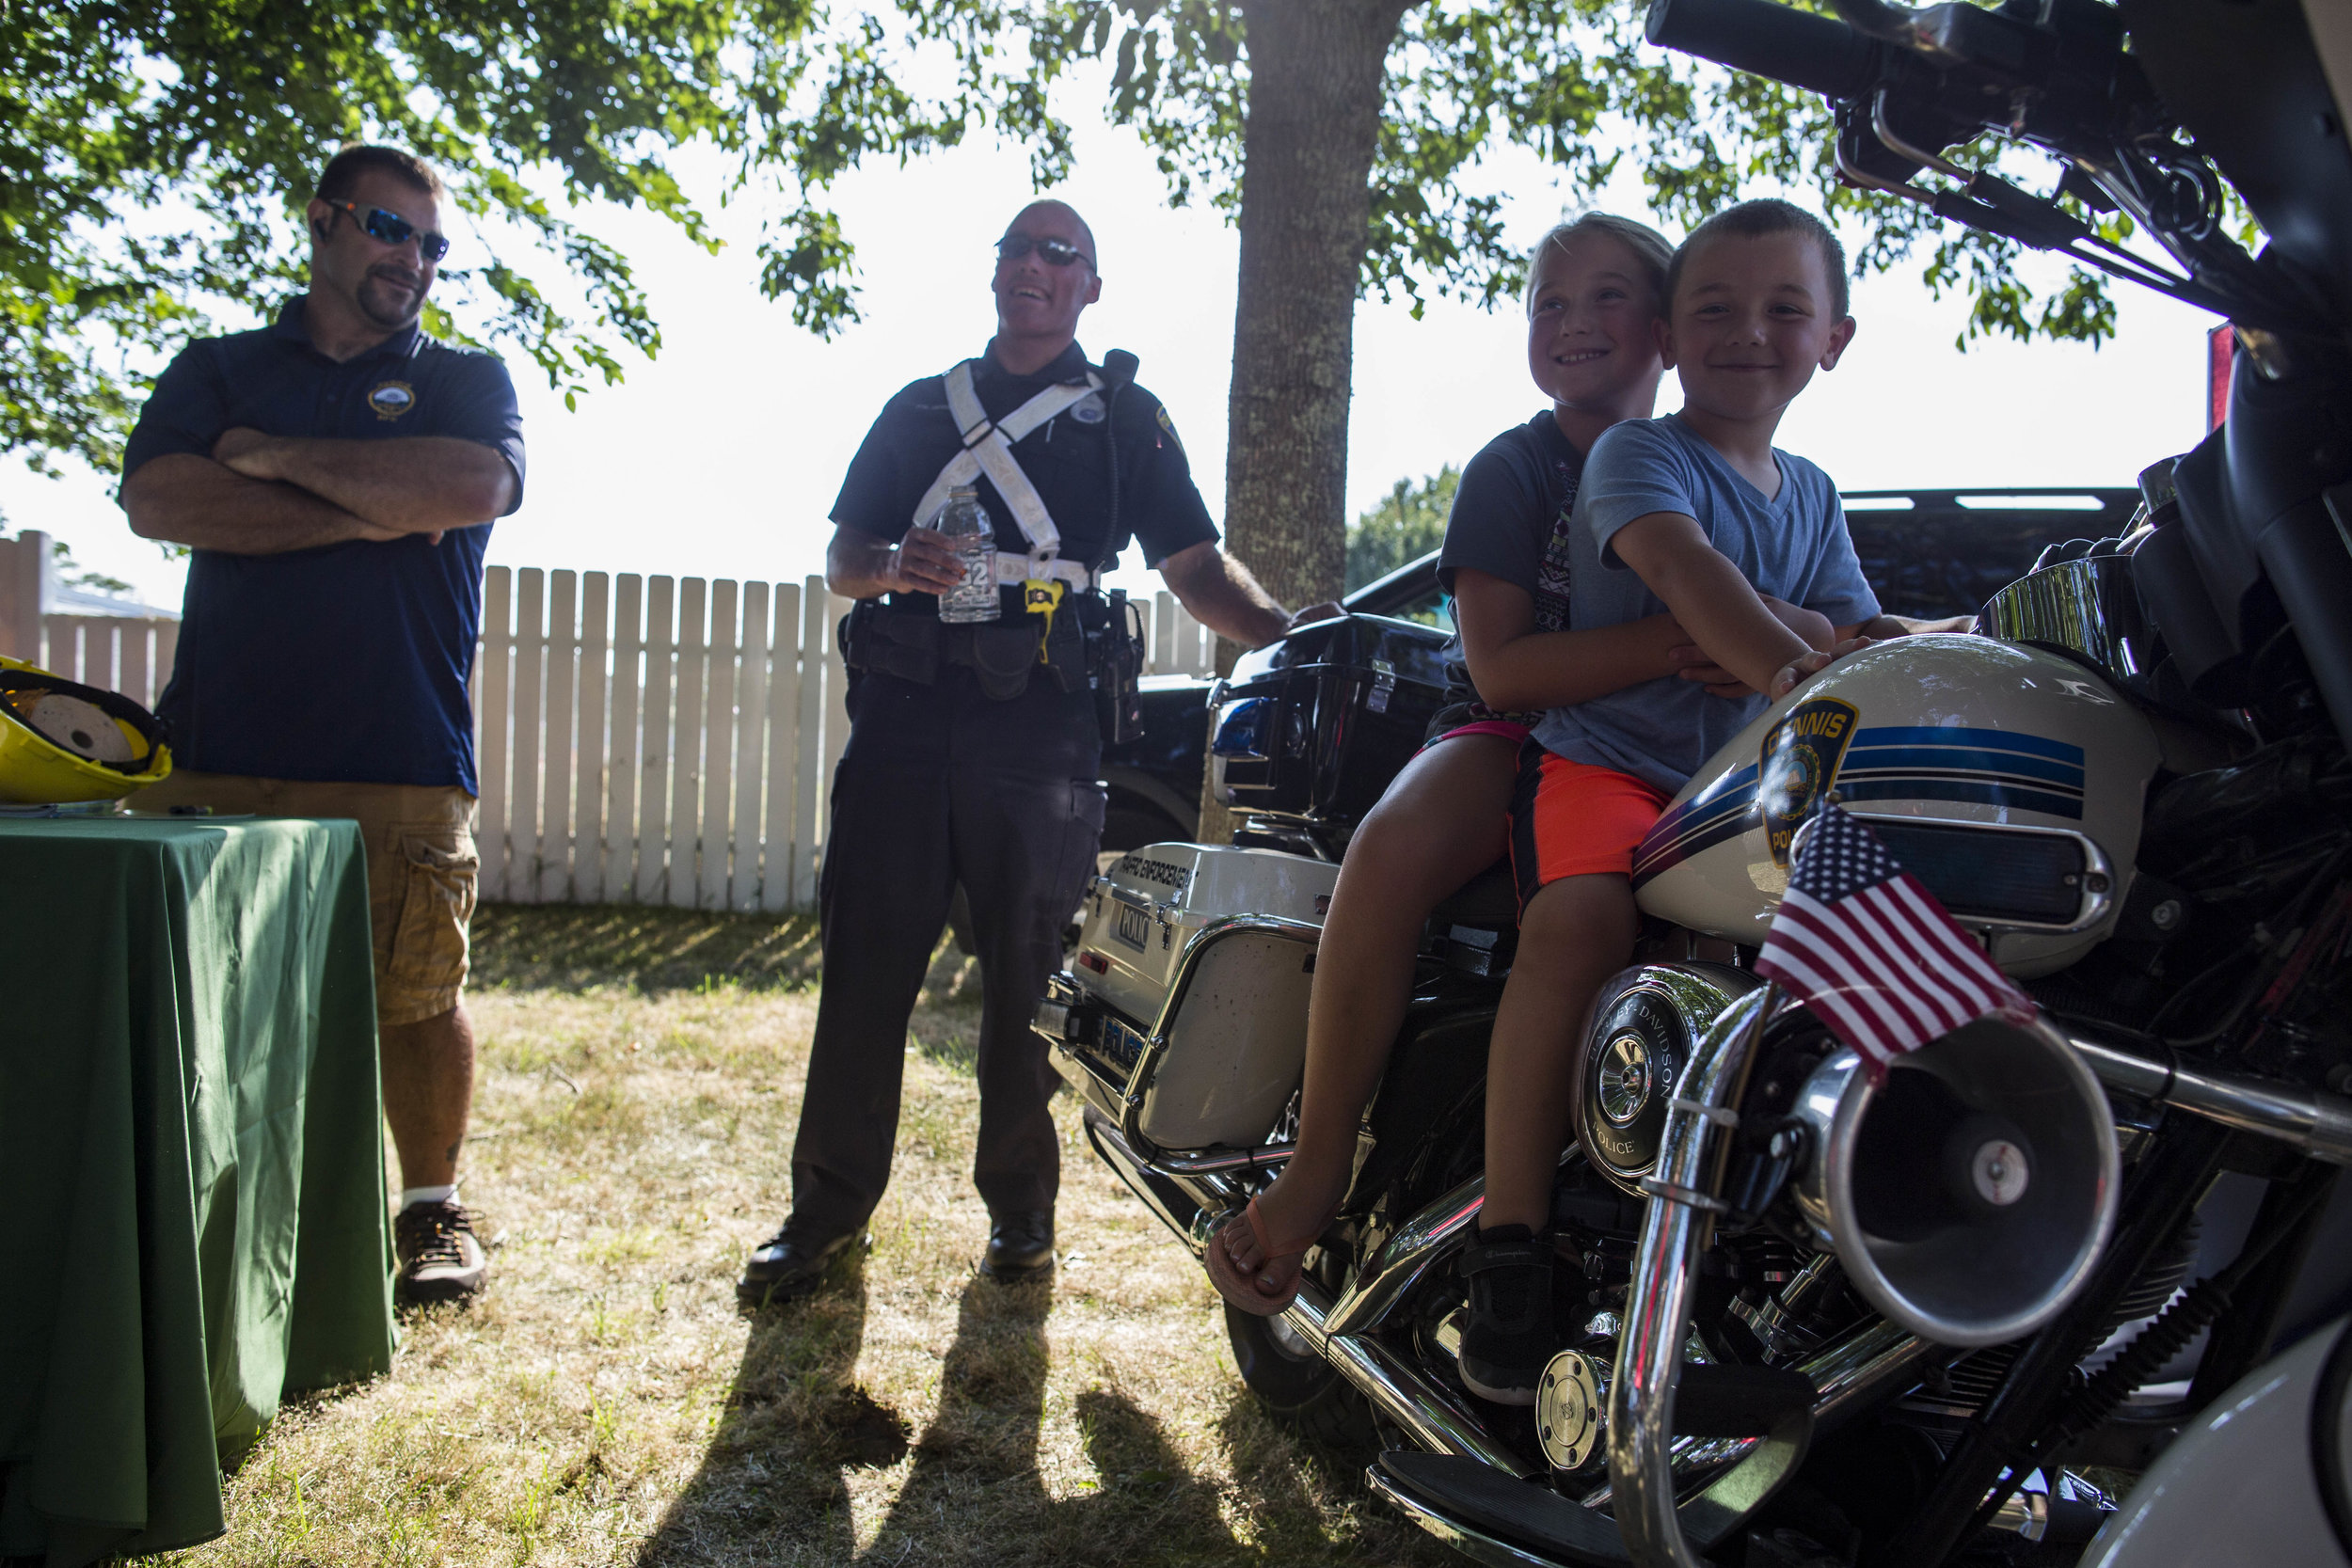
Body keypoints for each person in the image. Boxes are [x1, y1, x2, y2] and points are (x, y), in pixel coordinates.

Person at [1207, 213, 1841, 1316]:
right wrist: (1681, 644)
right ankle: (1315, 1164)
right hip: (1514, 725)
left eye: (1604, 298)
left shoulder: (1726, 467)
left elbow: (1823, 618)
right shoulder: (1519, 465)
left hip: (1686, 759)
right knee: (1395, 847)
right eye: (1549, 302)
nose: (1573, 322)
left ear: (1659, 329)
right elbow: (1500, 670)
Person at [739, 198, 1329, 1307]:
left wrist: (1294, 633)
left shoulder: (1125, 420)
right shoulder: (920, 408)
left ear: (1090, 287)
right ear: (995, 272)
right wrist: (886, 565)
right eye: (1017, 247)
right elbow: (844, 555)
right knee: (864, 972)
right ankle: (821, 1213)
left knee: (1027, 980)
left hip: (1043, 729)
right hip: (905, 720)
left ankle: (1021, 1215)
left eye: (1061, 253)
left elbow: (1196, 568)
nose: (1034, 266)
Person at [1450, 197, 1927, 1403]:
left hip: (1745, 786)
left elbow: (1862, 625)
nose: (1747, 332)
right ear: (1672, 329)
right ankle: (1508, 1239)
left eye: (1784, 309)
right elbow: (1686, 569)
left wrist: (1947, 646)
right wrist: (1789, 665)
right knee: (1579, 923)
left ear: (1836, 337)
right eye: (1714, 306)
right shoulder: (1640, 455)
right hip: (1612, 762)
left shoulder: (1810, 490)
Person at [119, 145, 522, 1308]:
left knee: (416, 994)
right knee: (205, 1001)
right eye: (392, 230)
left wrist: (276, 465)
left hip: (398, 747)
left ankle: (428, 1210)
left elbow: (462, 488)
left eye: (434, 245)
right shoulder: (220, 367)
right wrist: (366, 509)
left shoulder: (463, 378)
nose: (415, 260)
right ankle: (206, 1206)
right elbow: (160, 500)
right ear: (327, 222)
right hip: (218, 746)